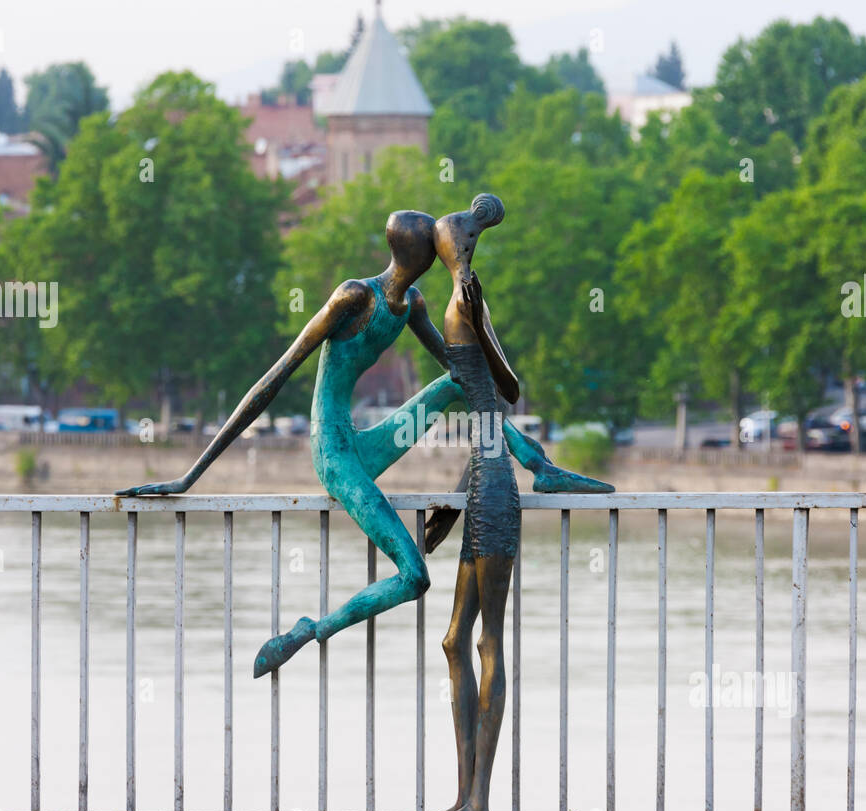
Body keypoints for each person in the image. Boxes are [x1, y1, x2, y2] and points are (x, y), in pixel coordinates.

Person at [116, 207, 612, 677]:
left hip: (367, 443)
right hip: (333, 453)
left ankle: (539, 466)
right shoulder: (354, 296)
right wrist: (189, 476)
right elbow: (274, 378)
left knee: (461, 386)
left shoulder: (412, 303)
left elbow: (461, 371)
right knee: (414, 577)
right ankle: (311, 630)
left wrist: (483, 347)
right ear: (419, 256)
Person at [420, 194, 518, 811]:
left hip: (495, 493)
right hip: (480, 482)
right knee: (456, 638)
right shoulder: (459, 308)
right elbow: (491, 401)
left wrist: (479, 321)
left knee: (486, 641)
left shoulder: (469, 306)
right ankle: (462, 797)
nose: (463, 257)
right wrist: (449, 511)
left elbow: (506, 393)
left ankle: (478, 805)